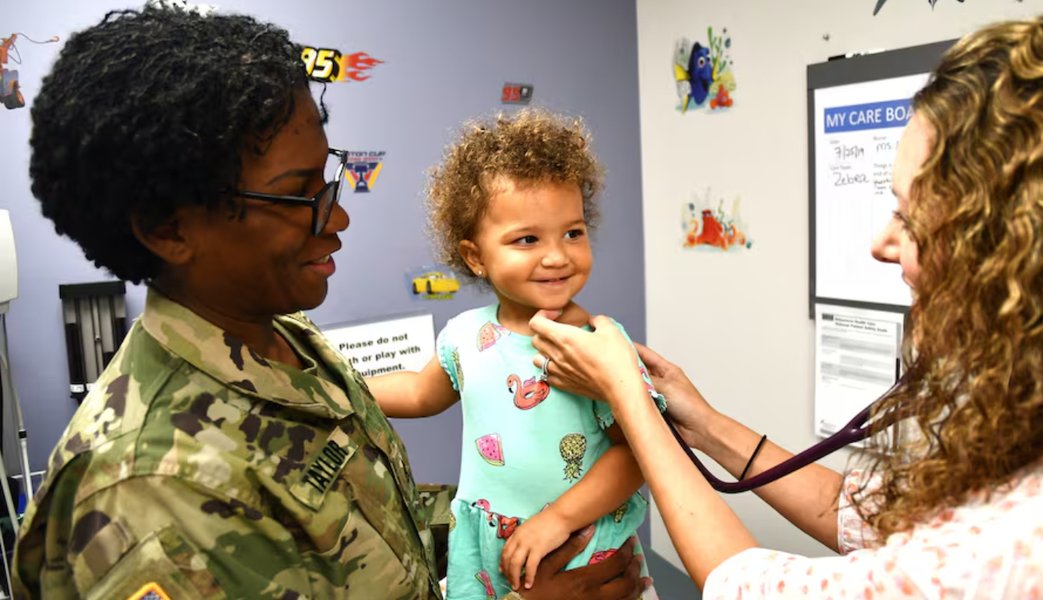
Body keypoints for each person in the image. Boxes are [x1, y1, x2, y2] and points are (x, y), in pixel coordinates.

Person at [529, 13, 1043, 598]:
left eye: (911, 219)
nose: (881, 244)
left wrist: (626, 394)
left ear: (1027, 255)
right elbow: (869, 516)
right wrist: (701, 424)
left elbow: (747, 586)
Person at [12, 5, 646, 599]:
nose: (338, 216)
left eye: (329, 179)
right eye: (299, 194)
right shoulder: (147, 496)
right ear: (169, 228)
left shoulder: (287, 339)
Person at [368, 109, 663, 599]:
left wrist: (558, 519)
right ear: (475, 256)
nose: (556, 255)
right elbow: (421, 392)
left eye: (572, 232)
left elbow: (637, 452)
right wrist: (340, 385)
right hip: (486, 550)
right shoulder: (464, 334)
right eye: (527, 239)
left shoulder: (595, 344)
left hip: (577, 545)